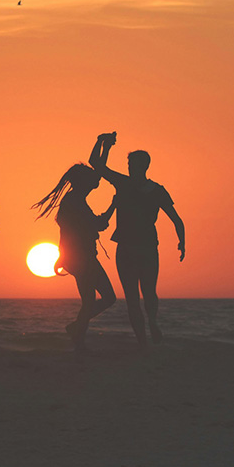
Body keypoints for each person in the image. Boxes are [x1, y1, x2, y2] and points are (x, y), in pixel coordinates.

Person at [89, 132, 185, 347]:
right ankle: (143, 340)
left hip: (146, 248)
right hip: (129, 248)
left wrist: (182, 242)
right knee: (133, 297)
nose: (131, 167)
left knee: (147, 292)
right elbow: (96, 164)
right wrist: (103, 143)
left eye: (134, 163)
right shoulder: (124, 183)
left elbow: (176, 219)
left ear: (145, 166)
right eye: (130, 163)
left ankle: (151, 322)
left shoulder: (155, 190)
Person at [33, 163, 116, 352]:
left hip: (79, 257)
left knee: (96, 299)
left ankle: (77, 330)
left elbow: (97, 176)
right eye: (88, 181)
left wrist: (103, 146)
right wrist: (114, 206)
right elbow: (98, 224)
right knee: (101, 298)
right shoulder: (75, 202)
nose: (93, 183)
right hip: (81, 257)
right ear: (82, 182)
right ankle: (78, 335)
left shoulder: (75, 199)